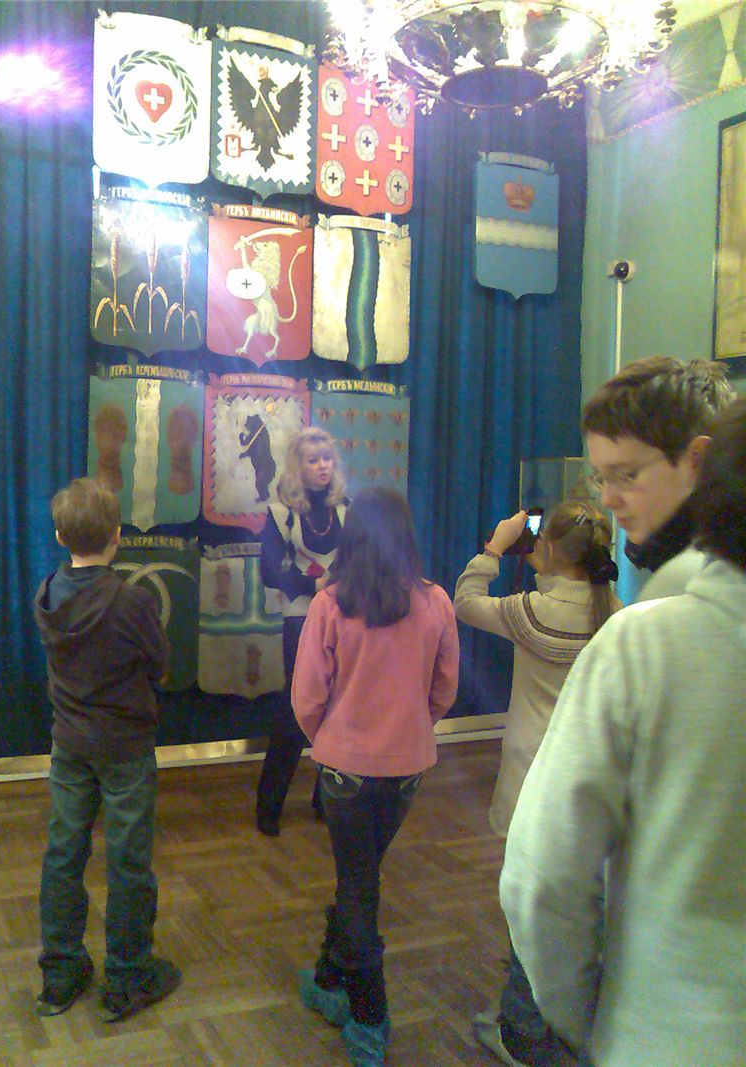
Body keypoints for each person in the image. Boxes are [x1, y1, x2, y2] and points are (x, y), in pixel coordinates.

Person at [499, 400, 746, 1067]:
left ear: (701, 466)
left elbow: (543, 876)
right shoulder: (623, 614)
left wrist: (589, 1019)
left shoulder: (644, 640)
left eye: (627, 474)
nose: (610, 497)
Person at [291, 488, 460, 1067]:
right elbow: (445, 688)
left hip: (346, 771)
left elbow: (307, 697)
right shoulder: (435, 601)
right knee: (359, 877)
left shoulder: (331, 604)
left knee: (358, 885)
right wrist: (409, 728)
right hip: (408, 767)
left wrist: (333, 738)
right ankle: (328, 976)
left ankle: (368, 1017)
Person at [454, 501, 620, 1067]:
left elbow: (465, 601)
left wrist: (495, 548)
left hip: (532, 778)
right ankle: (563, 1015)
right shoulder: (617, 615)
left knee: (527, 904)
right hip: (591, 781)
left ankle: (522, 1027)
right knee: (578, 906)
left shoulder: (531, 612)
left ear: (546, 548)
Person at [33, 477, 180, 1021]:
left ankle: (59, 975)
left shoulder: (47, 592)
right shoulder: (132, 601)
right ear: (117, 535)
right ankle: (127, 978)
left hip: (69, 744)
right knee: (128, 860)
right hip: (125, 748)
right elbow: (160, 665)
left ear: (59, 535)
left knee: (63, 854)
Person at [255, 427, 349, 836]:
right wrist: (316, 585)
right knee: (295, 710)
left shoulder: (347, 509)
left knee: (338, 707)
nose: (323, 466)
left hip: (343, 616)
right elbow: (269, 572)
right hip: (300, 617)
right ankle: (269, 808)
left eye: (327, 458)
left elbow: (361, 558)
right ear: (298, 466)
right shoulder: (281, 513)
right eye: (313, 460)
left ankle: (325, 801)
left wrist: (339, 585)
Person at [581, 355, 734, 599]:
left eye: (626, 475)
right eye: (601, 478)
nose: (607, 500)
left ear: (698, 458)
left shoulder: (696, 585)